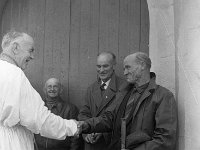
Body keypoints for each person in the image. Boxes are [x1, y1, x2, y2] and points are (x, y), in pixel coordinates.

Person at [80, 52, 178, 150]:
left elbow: (165, 139)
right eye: (124, 69)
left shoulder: (163, 96)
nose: (125, 72)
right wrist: (84, 125)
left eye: (128, 67)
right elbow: (109, 119)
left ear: (142, 65)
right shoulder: (123, 92)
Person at [0, 31, 80, 150]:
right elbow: (39, 120)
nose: (32, 56)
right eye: (30, 50)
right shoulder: (15, 75)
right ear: (15, 48)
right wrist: (72, 126)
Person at [78, 52, 125, 150]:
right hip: (92, 144)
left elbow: (124, 118)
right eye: (98, 66)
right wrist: (86, 134)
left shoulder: (124, 87)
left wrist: (103, 133)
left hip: (112, 144)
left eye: (105, 66)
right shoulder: (91, 89)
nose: (101, 70)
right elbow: (83, 114)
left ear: (113, 66)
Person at [35, 78, 82, 150]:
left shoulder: (70, 109)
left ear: (61, 90)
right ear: (45, 90)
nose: (52, 89)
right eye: (49, 86)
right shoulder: (38, 108)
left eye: (55, 86)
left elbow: (75, 136)